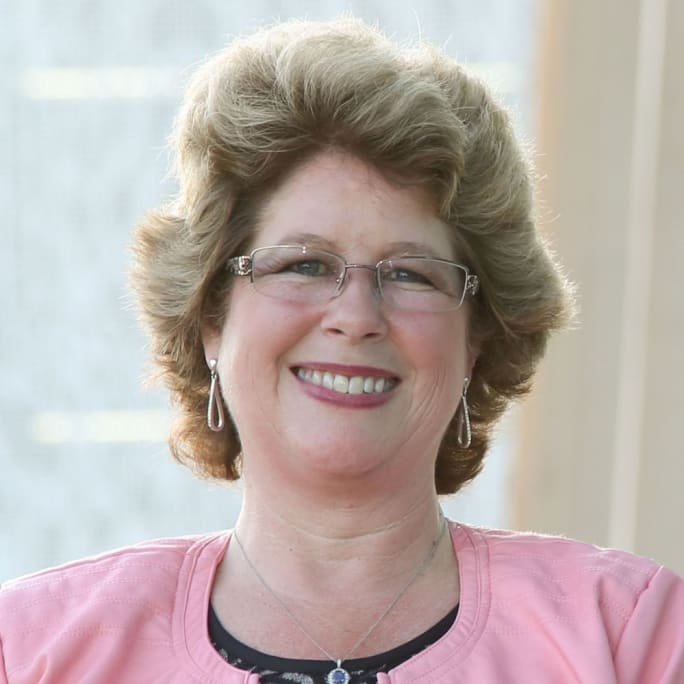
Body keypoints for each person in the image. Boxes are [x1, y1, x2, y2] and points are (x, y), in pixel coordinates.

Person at [1, 16, 683, 684]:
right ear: (211, 317)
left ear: (478, 337)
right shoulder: (31, 651)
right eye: (303, 265)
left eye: (411, 274)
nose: (356, 317)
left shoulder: (631, 640)